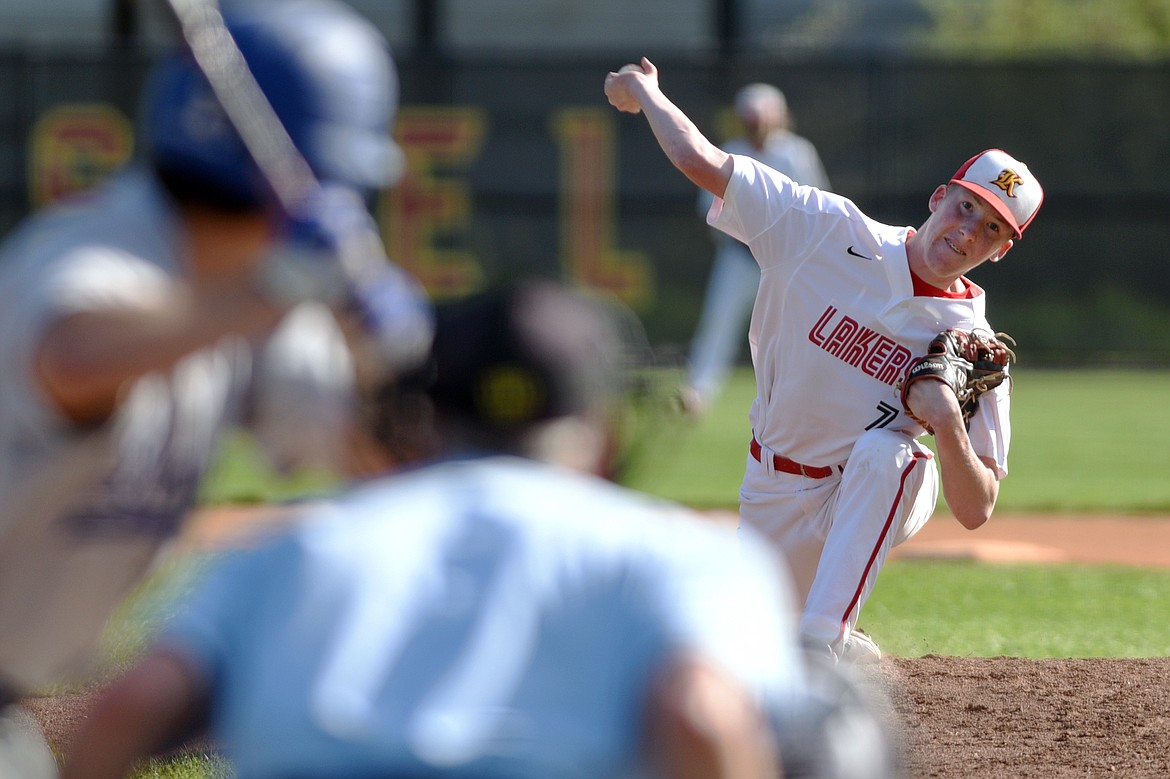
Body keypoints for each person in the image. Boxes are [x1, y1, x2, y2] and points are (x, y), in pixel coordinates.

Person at [60, 280, 810, 779]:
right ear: (603, 433)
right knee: (836, 734)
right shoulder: (686, 555)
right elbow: (699, 714)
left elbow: (133, 703)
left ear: (422, 423)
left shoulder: (293, 547)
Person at [0, 0, 430, 770]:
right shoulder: (99, 252)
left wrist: (381, 363)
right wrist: (276, 290)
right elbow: (70, 361)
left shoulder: (247, 299)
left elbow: (368, 460)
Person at [605, 58, 1043, 662]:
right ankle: (827, 638)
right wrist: (647, 93)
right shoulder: (824, 230)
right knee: (737, 658)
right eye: (966, 207)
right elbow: (701, 161)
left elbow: (976, 508)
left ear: (999, 253)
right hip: (770, 488)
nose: (969, 231)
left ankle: (825, 637)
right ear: (939, 197)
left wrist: (945, 423)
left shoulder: (974, 344)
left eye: (993, 228)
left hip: (857, 498)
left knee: (891, 454)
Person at [680, 83, 832, 416]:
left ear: (777, 118)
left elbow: (817, 204)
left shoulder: (795, 152)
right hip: (740, 255)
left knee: (800, 328)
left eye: (761, 120)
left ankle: (806, 396)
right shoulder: (730, 151)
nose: (756, 127)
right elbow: (710, 208)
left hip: (785, 258)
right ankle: (698, 392)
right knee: (719, 322)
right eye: (750, 121)